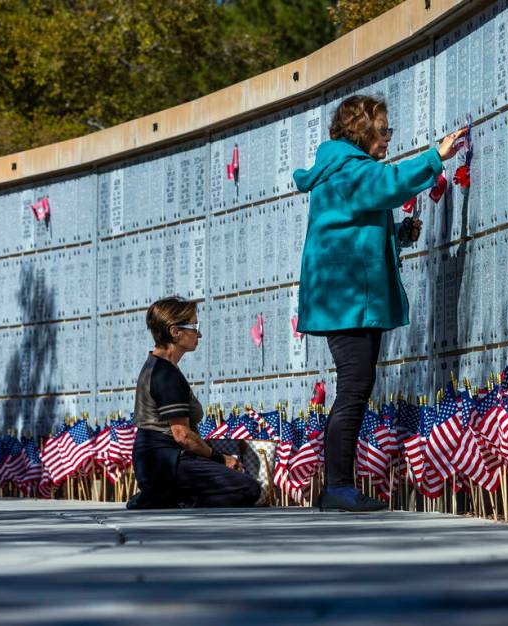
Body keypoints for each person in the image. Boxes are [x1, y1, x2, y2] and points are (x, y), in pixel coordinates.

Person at [293, 95, 466, 512]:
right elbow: (387, 186)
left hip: (344, 297)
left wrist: (400, 235)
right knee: (354, 388)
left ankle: (337, 485)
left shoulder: (340, 170)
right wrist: (434, 158)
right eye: (384, 130)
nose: (388, 138)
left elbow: (356, 228)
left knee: (355, 386)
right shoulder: (351, 171)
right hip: (348, 300)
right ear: (363, 131)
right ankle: (337, 486)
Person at [127, 296, 262, 509]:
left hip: (155, 463)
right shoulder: (166, 374)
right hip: (168, 463)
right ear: (175, 331)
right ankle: (169, 500)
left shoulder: (156, 366)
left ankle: (161, 496)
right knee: (248, 489)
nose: (199, 333)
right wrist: (221, 459)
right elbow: (182, 435)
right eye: (194, 326)